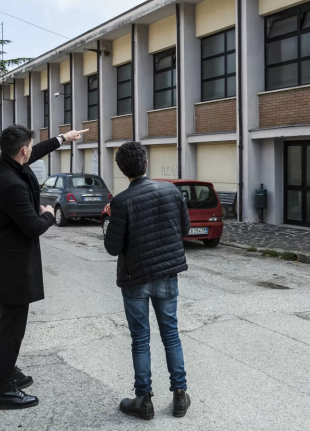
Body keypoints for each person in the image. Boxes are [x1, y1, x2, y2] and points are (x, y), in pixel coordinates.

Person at [0, 124, 87, 410]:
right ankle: (3, 391)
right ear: (22, 149)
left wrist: (63, 138)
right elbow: (33, 227)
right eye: (29, 148)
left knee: (7, 324)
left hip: (1, 261)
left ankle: (8, 370)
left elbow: (34, 153)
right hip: (12, 268)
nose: (31, 151)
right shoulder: (11, 184)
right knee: (12, 328)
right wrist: (48, 214)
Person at [104, 141, 192, 420]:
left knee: (140, 339)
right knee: (171, 335)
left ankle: (144, 399)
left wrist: (107, 223)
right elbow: (185, 228)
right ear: (146, 163)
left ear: (122, 169)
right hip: (166, 274)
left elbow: (113, 247)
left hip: (135, 278)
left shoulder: (121, 201)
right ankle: (180, 395)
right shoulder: (171, 190)